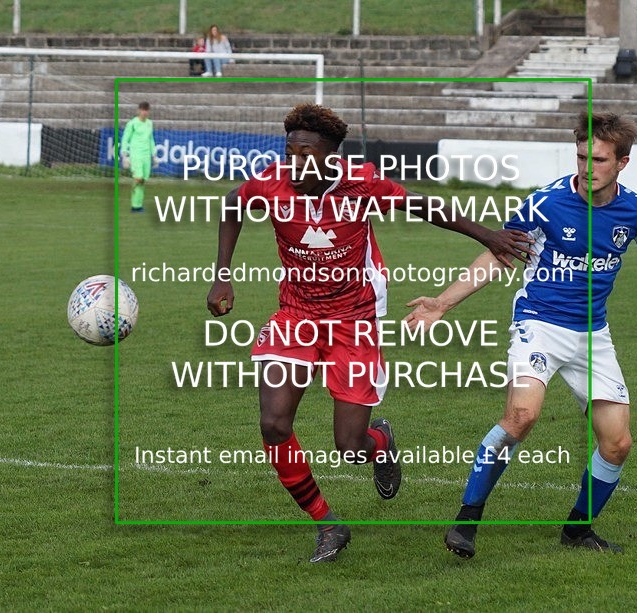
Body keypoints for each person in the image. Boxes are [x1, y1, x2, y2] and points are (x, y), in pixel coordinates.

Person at [206, 103, 532, 563]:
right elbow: (232, 205)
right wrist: (222, 274)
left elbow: (424, 206)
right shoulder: (272, 181)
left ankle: (380, 445)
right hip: (296, 314)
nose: (294, 164)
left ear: (331, 157)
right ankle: (327, 524)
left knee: (350, 446)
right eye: (289, 152)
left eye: (306, 155)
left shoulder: (361, 183)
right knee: (273, 423)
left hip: (354, 319)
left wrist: (487, 236)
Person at [405, 112, 637, 557]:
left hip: (593, 334)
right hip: (539, 323)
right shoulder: (545, 203)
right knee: (521, 417)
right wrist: (443, 303)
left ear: (623, 162)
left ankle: (577, 530)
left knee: (617, 443)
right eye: (582, 157)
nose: (587, 167)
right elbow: (499, 254)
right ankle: (466, 521)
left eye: (599, 159)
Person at [120, 101, 156, 213]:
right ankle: (134, 205)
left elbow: (151, 139)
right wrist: (124, 155)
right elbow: (125, 139)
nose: (144, 112)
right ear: (138, 111)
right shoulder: (132, 123)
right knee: (138, 178)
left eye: (146, 110)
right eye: (143, 110)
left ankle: (138, 205)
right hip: (136, 155)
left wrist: (154, 155)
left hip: (146, 156)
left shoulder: (150, 123)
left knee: (143, 180)